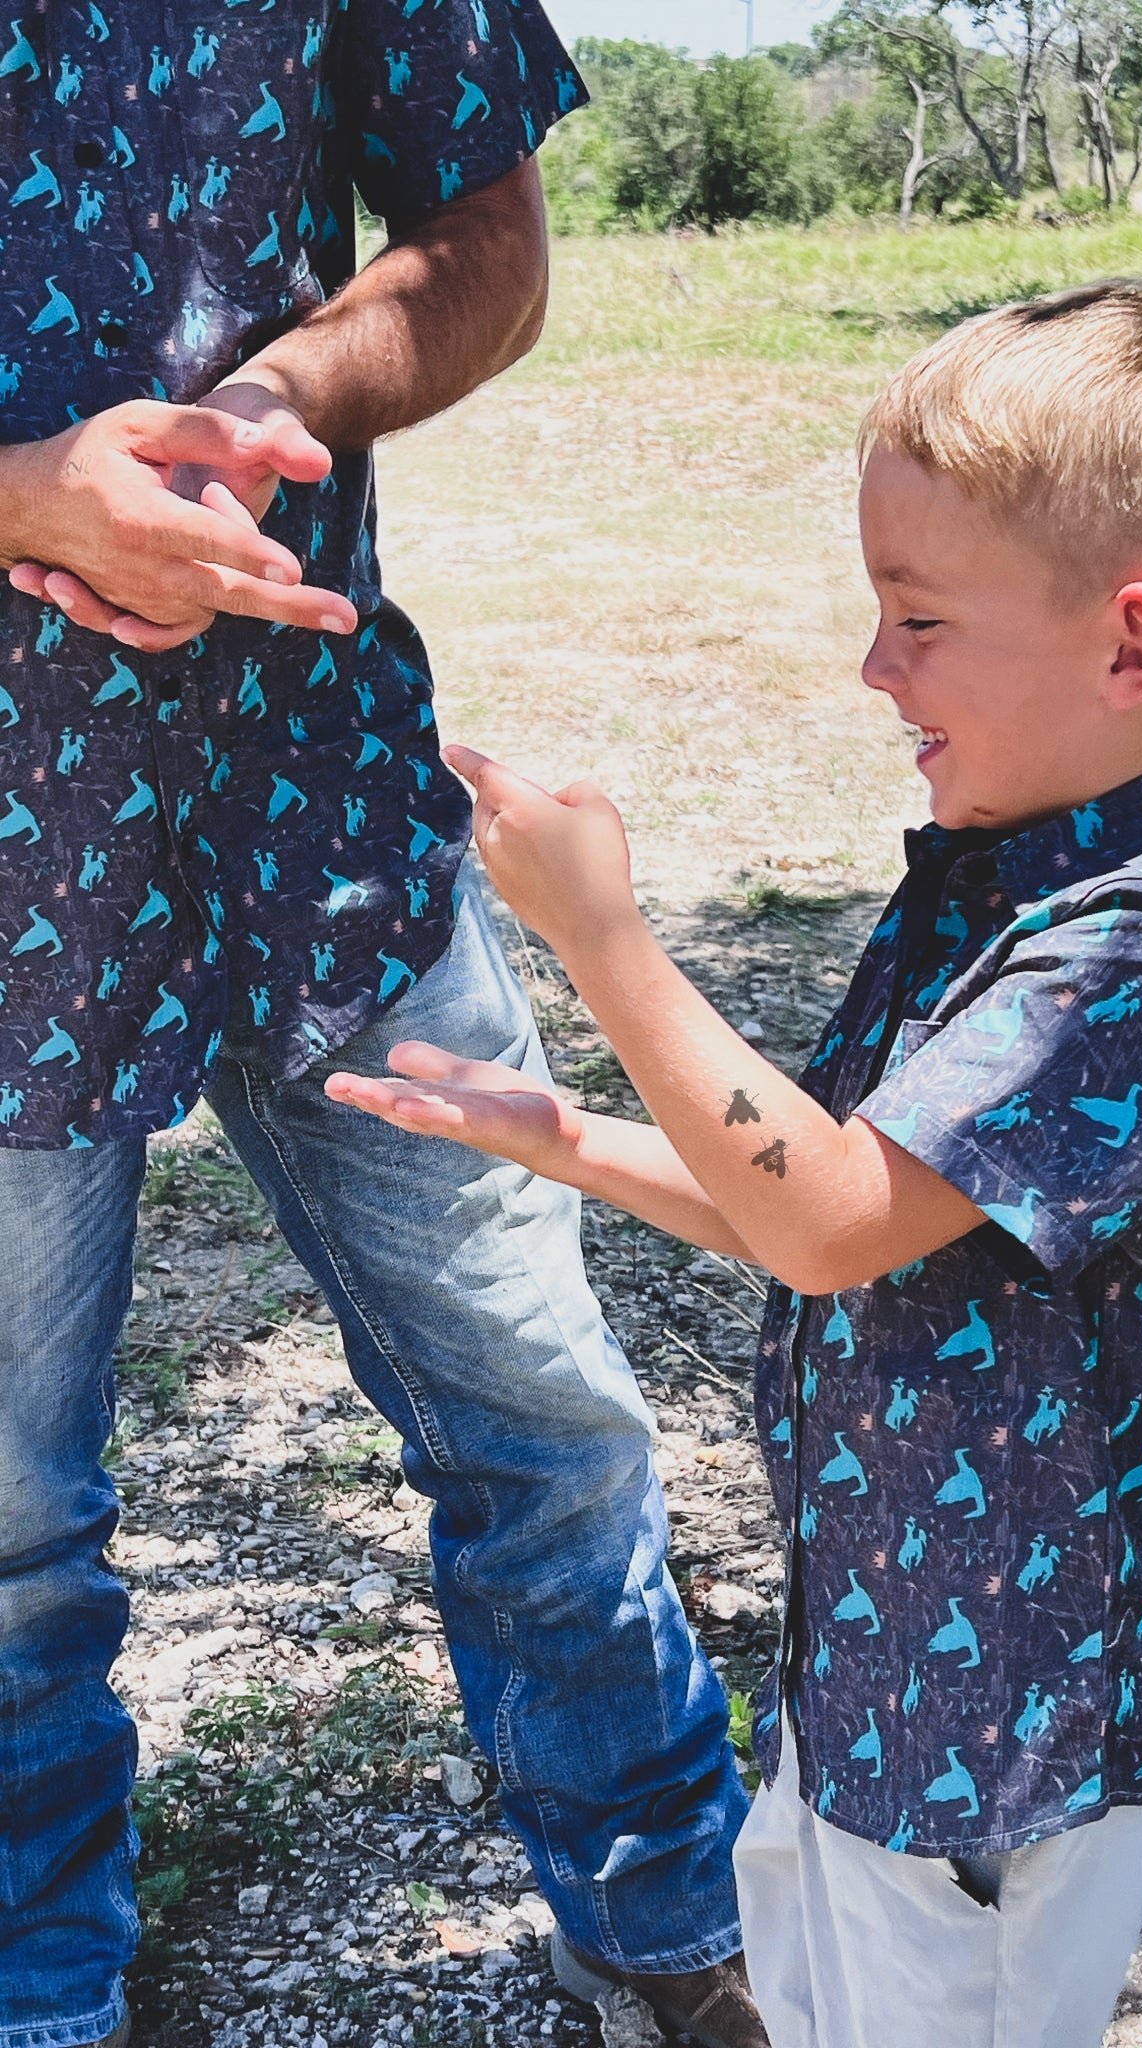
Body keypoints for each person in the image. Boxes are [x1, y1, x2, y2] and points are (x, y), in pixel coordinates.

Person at [328, 279, 1142, 2047]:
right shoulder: (1017, 873)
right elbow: (844, 1202)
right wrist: (562, 1137)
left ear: (1130, 645)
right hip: (872, 1679)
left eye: (918, 619)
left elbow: (827, 1220)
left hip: (991, 1756)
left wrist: (605, 941)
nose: (873, 669)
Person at [0, 10, 762, 2048]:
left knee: (545, 1407)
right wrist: (26, 495)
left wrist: (275, 390)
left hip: (311, 810)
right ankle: (38, 1988)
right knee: (1, 1529)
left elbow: (484, 235)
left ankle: (674, 1926)